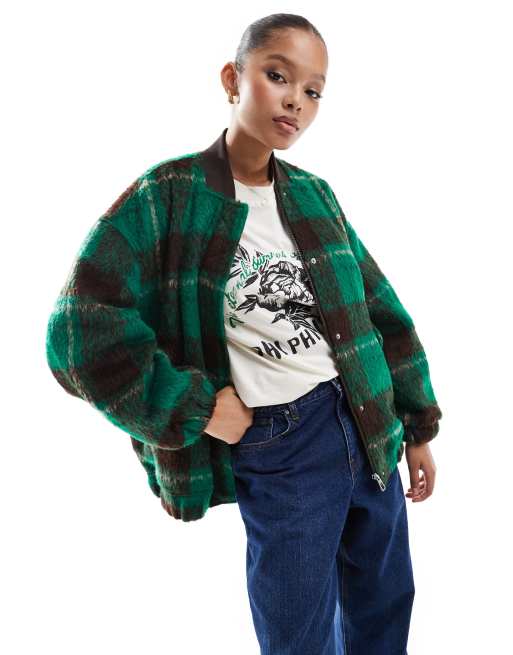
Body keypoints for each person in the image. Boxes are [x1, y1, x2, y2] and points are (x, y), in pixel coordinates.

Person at [46, 12, 442, 655]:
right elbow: (77, 333)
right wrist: (196, 407)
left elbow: (380, 312)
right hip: (284, 441)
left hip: (368, 425)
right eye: (278, 76)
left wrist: (417, 425)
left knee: (384, 608)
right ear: (233, 78)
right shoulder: (167, 196)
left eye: (313, 91)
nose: (295, 101)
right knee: (297, 632)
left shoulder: (315, 195)